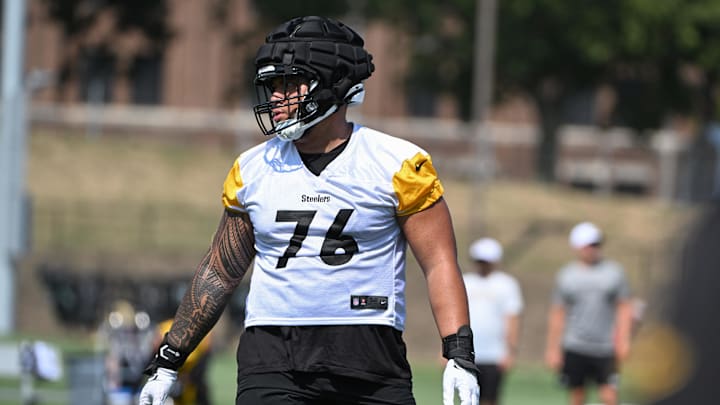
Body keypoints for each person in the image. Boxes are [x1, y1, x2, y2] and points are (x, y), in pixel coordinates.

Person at [138, 15, 479, 405]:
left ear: (333, 84)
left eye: (289, 84)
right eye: (272, 85)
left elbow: (439, 263)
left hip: (368, 357)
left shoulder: (397, 164)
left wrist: (459, 352)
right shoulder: (253, 168)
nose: (277, 97)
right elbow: (220, 271)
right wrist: (170, 358)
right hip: (272, 357)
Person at [544, 221, 633, 405]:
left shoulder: (614, 272)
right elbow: (558, 313)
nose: (593, 249)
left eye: (596, 244)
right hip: (576, 345)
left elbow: (624, 307)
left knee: (609, 396)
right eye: (589, 245)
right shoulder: (567, 275)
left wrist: (624, 339)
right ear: (577, 246)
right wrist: (553, 347)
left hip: (605, 346)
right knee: (577, 396)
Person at [463, 238, 523, 405]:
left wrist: (510, 351)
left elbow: (512, 318)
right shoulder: (464, 282)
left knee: (490, 399)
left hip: (494, 354)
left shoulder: (506, 284)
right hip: (467, 354)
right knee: (466, 399)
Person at [150, 319, 213, 405]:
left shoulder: (202, 331)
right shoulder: (163, 329)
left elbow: (204, 359)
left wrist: (190, 377)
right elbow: (154, 357)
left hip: (191, 374)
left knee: (200, 391)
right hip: (170, 373)